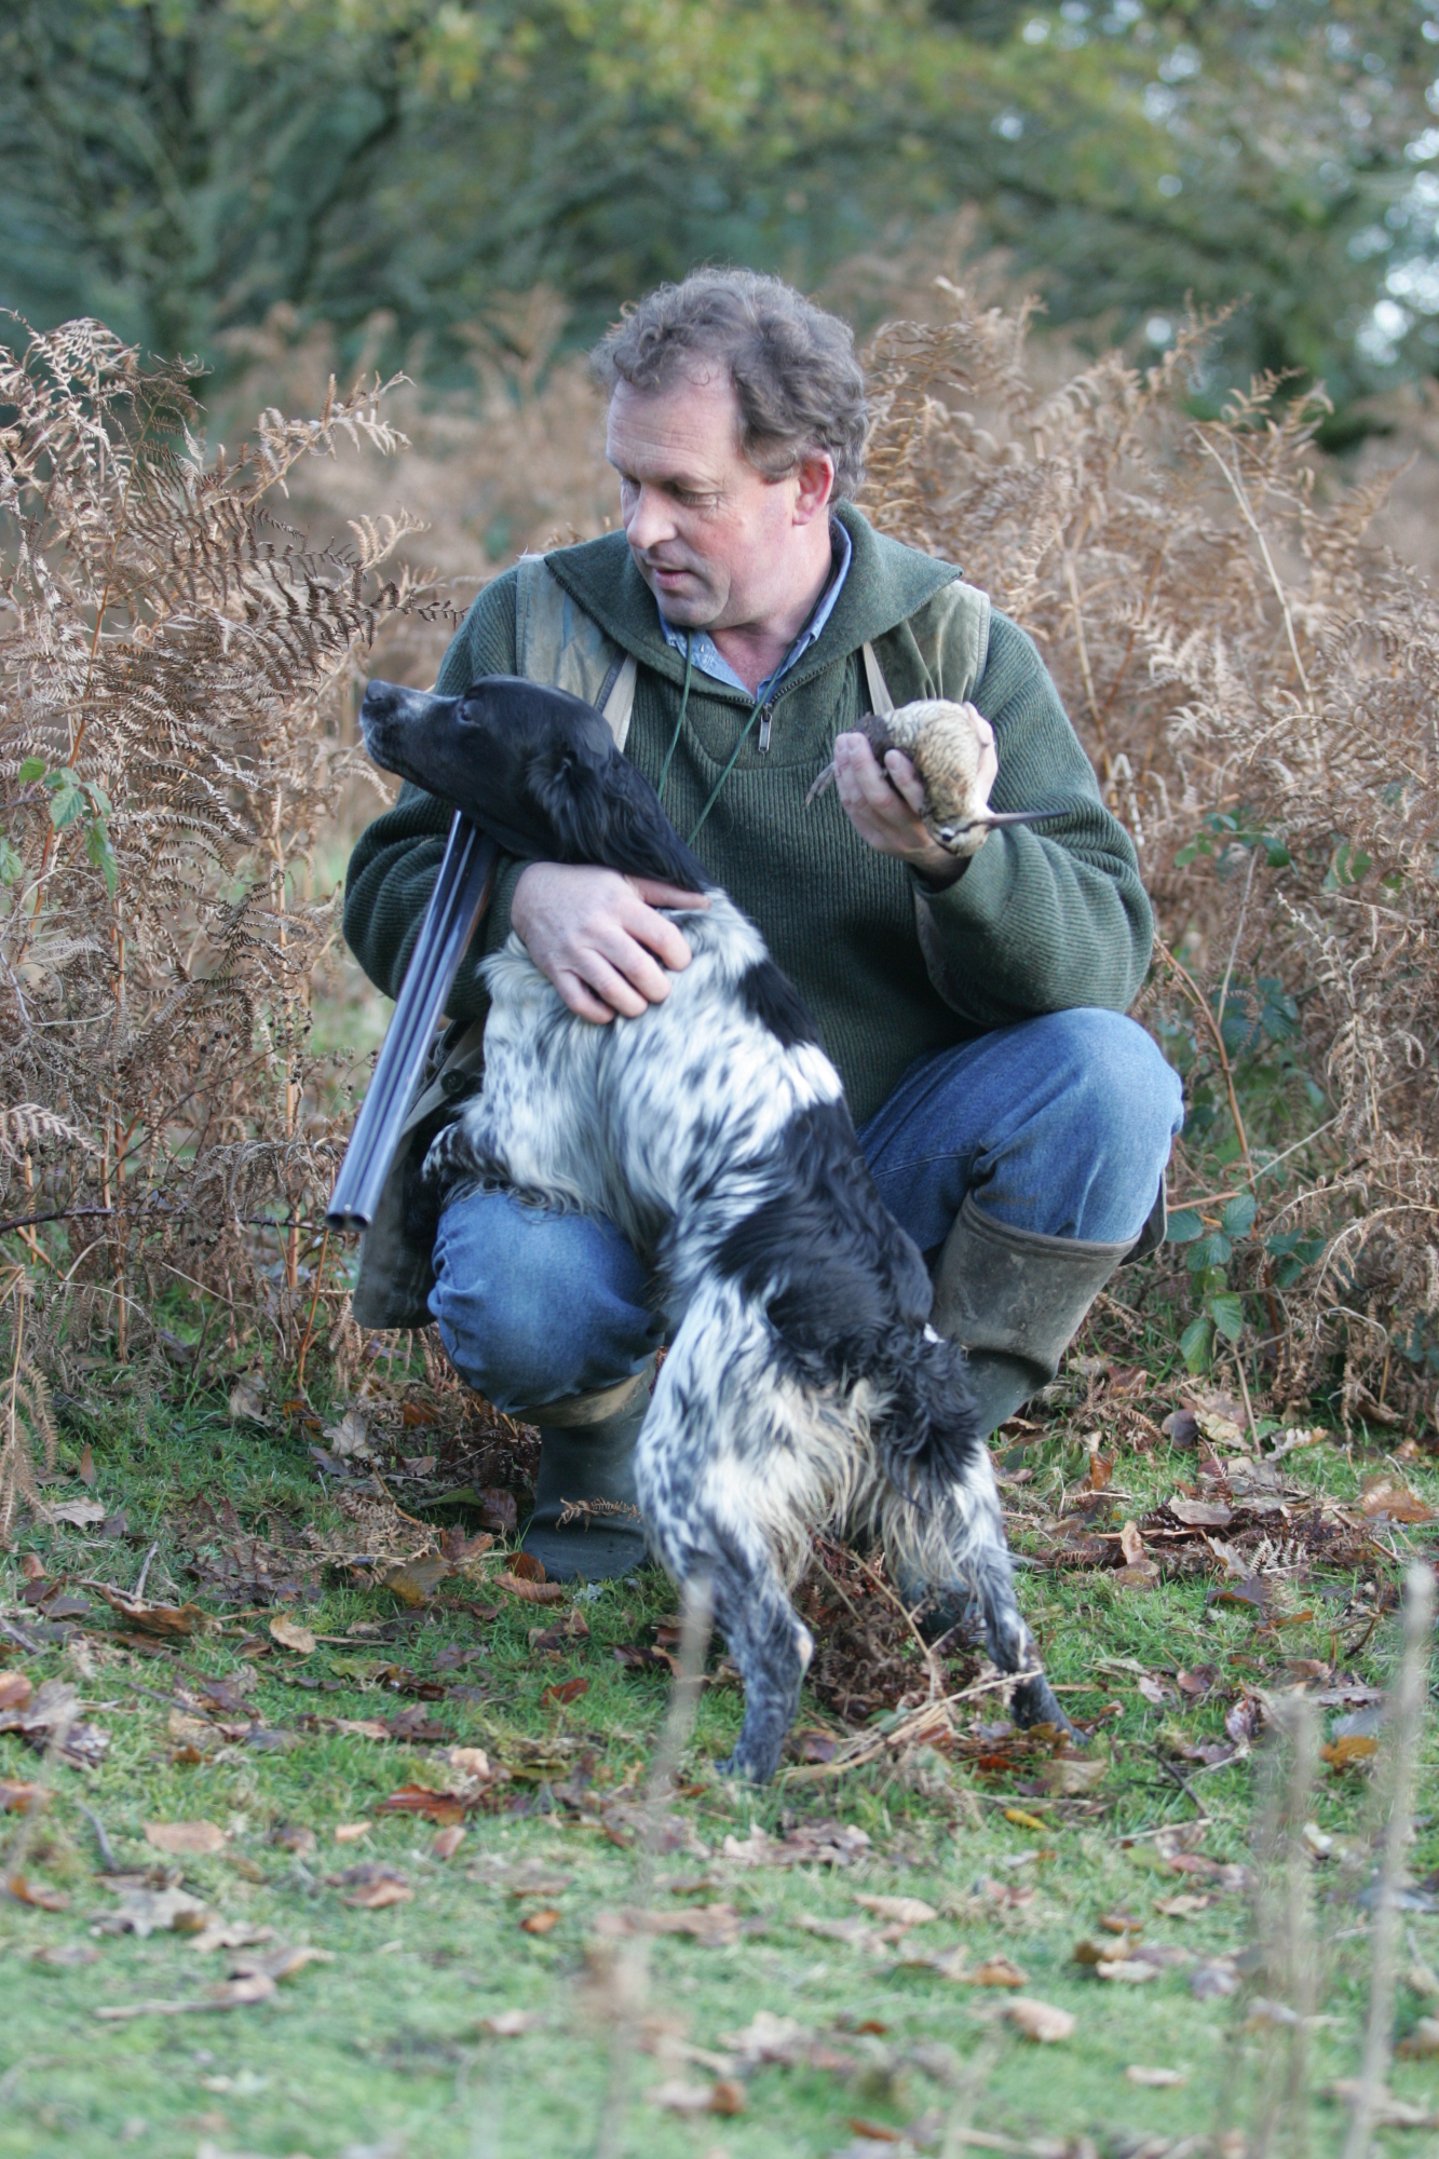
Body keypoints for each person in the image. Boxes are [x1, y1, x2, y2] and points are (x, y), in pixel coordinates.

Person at [343, 267, 1183, 1578]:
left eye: (687, 493)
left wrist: (958, 864)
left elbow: (1102, 957)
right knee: (523, 1295)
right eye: (628, 483)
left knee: (1111, 1083)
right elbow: (390, 886)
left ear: (808, 485)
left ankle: (871, 1473)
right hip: (608, 1166)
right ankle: (600, 1455)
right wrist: (523, 901)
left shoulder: (957, 652)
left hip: (861, 1172)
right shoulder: (542, 621)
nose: (640, 526)